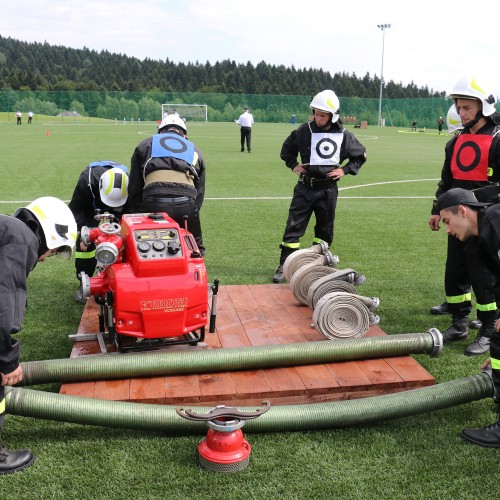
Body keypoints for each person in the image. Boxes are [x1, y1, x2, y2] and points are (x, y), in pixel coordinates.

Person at [0, 196, 77, 473]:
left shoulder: (8, 229)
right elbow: (4, 309)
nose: (45, 259)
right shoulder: (21, 240)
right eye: (54, 251)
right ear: (50, 235)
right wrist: (8, 363)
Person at [428, 76, 500, 356]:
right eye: (459, 108)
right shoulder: (455, 142)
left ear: (483, 107)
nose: (461, 113)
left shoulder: (497, 140)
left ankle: (487, 328)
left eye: (467, 107)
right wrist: (437, 210)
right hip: (457, 220)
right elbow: (446, 179)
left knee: (483, 276)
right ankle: (459, 321)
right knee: (455, 270)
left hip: (485, 223)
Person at [272, 89, 367, 283]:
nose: (318, 118)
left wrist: (345, 170)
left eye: (323, 115)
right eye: (316, 113)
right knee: (293, 227)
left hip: (328, 190)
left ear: (333, 116)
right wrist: (293, 165)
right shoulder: (304, 130)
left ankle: (318, 267)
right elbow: (287, 150)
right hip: (305, 188)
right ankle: (285, 265)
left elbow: (361, 155)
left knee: (324, 230)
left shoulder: (344, 135)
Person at [436, 188, 500, 447]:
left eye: (447, 222)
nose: (448, 230)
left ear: (462, 211)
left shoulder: (495, 223)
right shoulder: (482, 233)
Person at [126, 114, 206, 254]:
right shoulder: (195, 150)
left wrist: (137, 212)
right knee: (195, 246)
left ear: (160, 131)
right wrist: (193, 210)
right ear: (184, 134)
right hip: (187, 204)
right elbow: (199, 192)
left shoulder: (145, 144)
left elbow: (134, 187)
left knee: (145, 247)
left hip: (154, 201)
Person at [69, 161, 129, 303]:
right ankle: (85, 281)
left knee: (124, 241)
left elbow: (130, 214)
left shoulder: (129, 185)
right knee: (84, 244)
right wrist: (86, 231)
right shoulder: (86, 182)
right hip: (91, 203)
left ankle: (122, 283)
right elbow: (77, 210)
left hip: (121, 203)